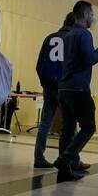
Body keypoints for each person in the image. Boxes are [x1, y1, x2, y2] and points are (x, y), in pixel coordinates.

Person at [53, 0, 98, 182]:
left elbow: (77, 59)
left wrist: (96, 54)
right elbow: (89, 59)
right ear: (84, 14)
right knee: (89, 126)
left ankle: (66, 168)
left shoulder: (67, 35)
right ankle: (66, 159)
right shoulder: (84, 34)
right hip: (78, 87)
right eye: (91, 15)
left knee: (68, 128)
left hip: (64, 87)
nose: (92, 18)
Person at [33, 13, 75, 168]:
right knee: (70, 124)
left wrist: (44, 82)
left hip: (49, 85)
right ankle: (70, 158)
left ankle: (39, 157)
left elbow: (39, 64)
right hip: (65, 86)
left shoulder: (50, 38)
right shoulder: (73, 39)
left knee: (45, 123)